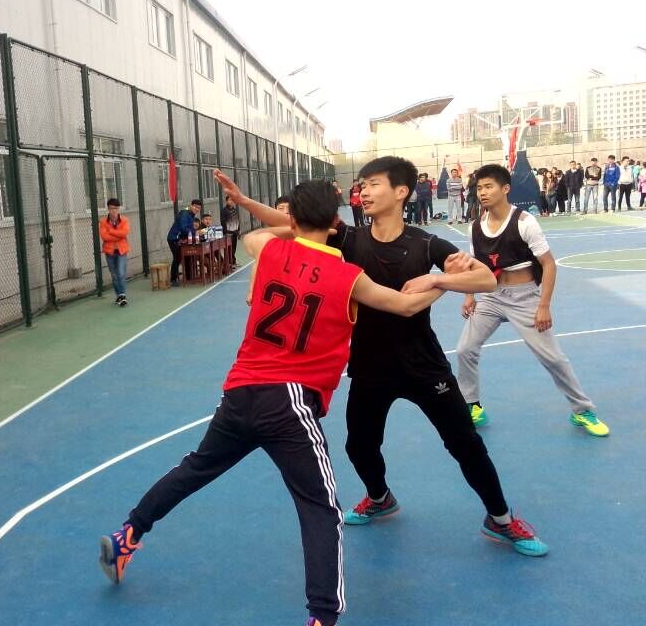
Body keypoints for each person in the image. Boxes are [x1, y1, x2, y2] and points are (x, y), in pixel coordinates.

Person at [99, 179, 453, 626]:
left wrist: (288, 224)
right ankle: (322, 616)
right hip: (290, 402)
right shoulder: (349, 277)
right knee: (320, 508)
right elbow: (404, 306)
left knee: (195, 468)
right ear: (335, 221)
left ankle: (129, 532)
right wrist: (442, 280)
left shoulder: (269, 250)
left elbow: (256, 235)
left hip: (240, 392)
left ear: (293, 219)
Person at [215, 160, 549, 558]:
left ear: (401, 192)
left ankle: (500, 519)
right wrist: (244, 201)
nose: (364, 192)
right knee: (359, 446)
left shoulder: (426, 244)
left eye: (373, 184)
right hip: (370, 365)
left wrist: (437, 277)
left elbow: (485, 279)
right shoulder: (349, 238)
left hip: (423, 365)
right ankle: (379, 497)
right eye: (362, 186)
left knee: (466, 445)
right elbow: (298, 224)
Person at [456, 164, 608, 437]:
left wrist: (543, 306)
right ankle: (472, 405)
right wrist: (469, 295)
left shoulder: (525, 222)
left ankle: (582, 410)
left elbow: (548, 264)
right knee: (465, 348)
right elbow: (475, 265)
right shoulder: (475, 227)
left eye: (489, 186)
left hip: (525, 297)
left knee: (553, 358)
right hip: (492, 296)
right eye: (479, 188)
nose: (483, 193)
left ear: (505, 189)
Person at [99, 197, 130, 306]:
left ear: (118, 209)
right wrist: (118, 234)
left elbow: (124, 233)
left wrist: (111, 231)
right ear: (108, 209)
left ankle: (122, 295)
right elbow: (104, 237)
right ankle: (119, 296)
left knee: (121, 273)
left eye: (116, 208)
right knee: (114, 275)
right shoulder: (103, 222)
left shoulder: (124, 220)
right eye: (111, 208)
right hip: (110, 251)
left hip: (122, 250)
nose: (114, 211)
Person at [166, 198, 203, 287]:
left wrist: (196, 233)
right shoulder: (184, 214)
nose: (197, 209)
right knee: (177, 257)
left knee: (186, 256)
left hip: (182, 239)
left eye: (199, 208)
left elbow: (189, 228)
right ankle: (173, 279)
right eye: (195, 207)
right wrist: (195, 232)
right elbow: (184, 228)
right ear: (191, 205)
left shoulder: (191, 215)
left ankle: (189, 276)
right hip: (174, 238)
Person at [220, 194, 240, 267]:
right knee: (228, 249)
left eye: (233, 200)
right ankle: (229, 263)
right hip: (228, 233)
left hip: (235, 232)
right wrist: (225, 232)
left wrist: (238, 229)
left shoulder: (235, 209)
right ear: (226, 201)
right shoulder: (224, 210)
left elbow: (237, 220)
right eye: (230, 200)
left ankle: (233, 262)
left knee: (234, 248)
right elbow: (223, 222)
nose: (231, 201)